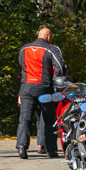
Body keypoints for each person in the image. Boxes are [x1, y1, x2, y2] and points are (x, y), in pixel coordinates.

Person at [16, 27, 64, 159]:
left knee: (24, 118)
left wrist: (21, 91)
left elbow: (23, 68)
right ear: (48, 37)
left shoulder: (24, 49)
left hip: (27, 87)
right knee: (49, 119)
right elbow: (59, 68)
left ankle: (22, 147)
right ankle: (50, 150)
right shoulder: (52, 49)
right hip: (45, 87)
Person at [36, 40, 66, 154]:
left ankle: (41, 144)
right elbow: (60, 68)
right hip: (48, 86)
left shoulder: (30, 52)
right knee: (48, 116)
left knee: (39, 117)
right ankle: (48, 147)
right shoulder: (53, 50)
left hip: (31, 86)